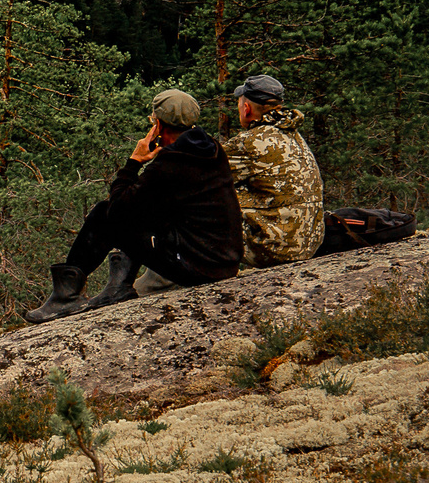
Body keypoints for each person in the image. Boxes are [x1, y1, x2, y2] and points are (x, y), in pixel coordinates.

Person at [24, 89, 242, 323]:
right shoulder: (211, 150)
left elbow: (117, 210)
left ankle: (66, 296)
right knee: (140, 209)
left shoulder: (171, 163)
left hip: (199, 269)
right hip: (224, 262)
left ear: (158, 125)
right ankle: (118, 285)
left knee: (103, 214)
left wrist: (134, 161)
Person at [221, 73, 323, 267]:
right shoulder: (294, 135)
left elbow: (199, 174)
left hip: (275, 250)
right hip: (310, 243)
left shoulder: (250, 142)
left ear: (246, 108)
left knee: (208, 197)